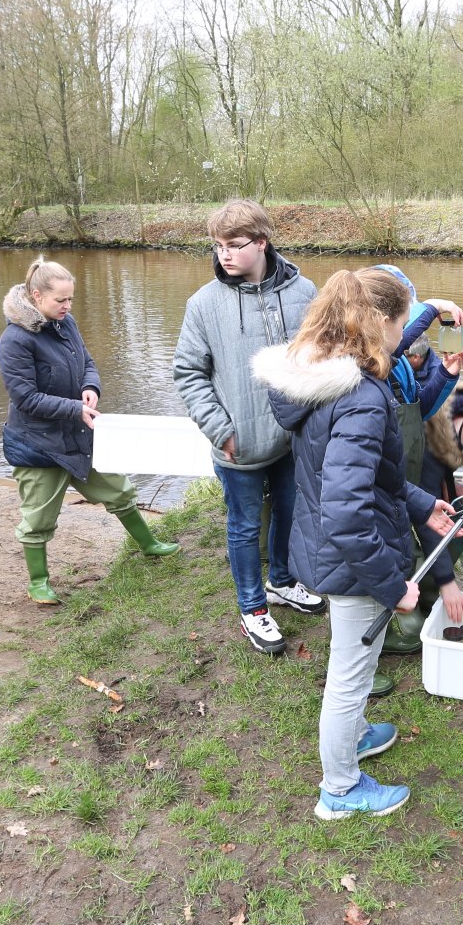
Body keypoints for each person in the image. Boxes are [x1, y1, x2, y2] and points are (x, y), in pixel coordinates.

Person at [255, 268, 463, 819]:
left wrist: (422, 504)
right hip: (352, 557)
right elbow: (349, 514)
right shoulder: (363, 397)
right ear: (382, 323)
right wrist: (391, 585)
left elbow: (363, 478)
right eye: (401, 321)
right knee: (348, 676)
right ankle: (340, 788)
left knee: (354, 662)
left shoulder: (320, 377)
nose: (402, 335)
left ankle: (357, 736)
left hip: (326, 547)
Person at [173, 200, 322, 656]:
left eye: (234, 245)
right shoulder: (203, 304)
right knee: (242, 527)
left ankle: (281, 581)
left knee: (289, 511)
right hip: (239, 445)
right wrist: (221, 430)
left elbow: (318, 357)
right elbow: (188, 372)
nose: (224, 255)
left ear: (261, 243)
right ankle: (253, 608)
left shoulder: (304, 292)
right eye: (218, 246)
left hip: (292, 437)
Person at [0, 257, 180, 605]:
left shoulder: (66, 325)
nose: (68, 306)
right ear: (37, 296)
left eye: (70, 299)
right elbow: (25, 398)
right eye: (60, 300)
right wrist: (74, 409)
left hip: (81, 435)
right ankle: (38, 582)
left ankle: (148, 544)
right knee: (37, 519)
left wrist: (91, 387)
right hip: (39, 445)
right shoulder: (14, 340)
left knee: (119, 490)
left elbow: (88, 362)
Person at [366, 267, 463, 668]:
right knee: (384, 537)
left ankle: (416, 594)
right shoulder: (375, 353)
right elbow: (394, 343)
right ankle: (388, 620)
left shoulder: (402, 361)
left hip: (406, 462)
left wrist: (446, 374)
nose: (408, 327)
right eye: (404, 315)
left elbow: (419, 407)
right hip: (384, 468)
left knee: (416, 527)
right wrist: (436, 306)